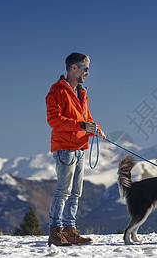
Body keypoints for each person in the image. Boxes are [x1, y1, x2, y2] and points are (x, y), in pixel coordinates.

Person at [45, 52, 106, 246]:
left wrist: (94, 128)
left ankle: (70, 230)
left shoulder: (81, 92)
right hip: (65, 148)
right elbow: (54, 120)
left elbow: (85, 118)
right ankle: (55, 232)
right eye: (86, 68)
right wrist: (81, 126)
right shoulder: (57, 91)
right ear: (74, 67)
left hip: (80, 147)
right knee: (63, 191)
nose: (88, 72)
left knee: (75, 193)